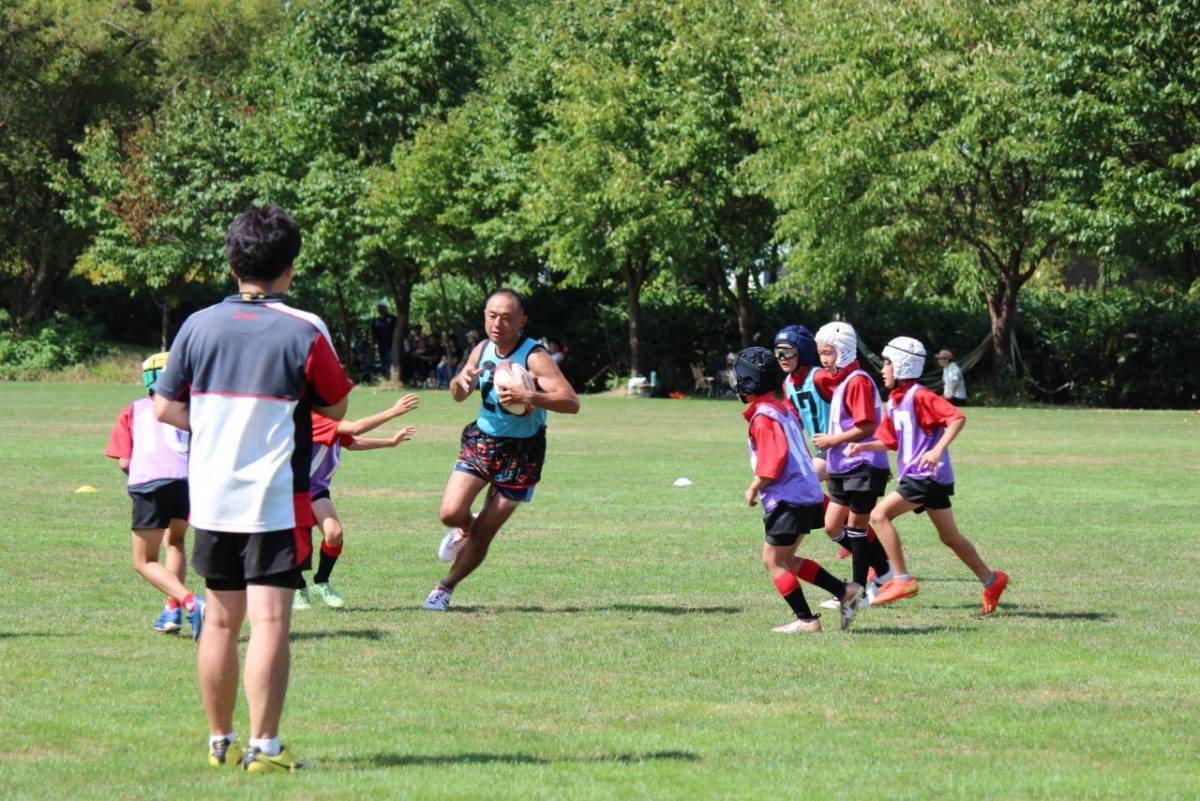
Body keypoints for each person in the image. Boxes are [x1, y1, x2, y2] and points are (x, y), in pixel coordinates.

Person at [153, 204, 353, 772]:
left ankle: (220, 742)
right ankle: (264, 748)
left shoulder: (197, 325)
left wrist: (217, 424)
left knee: (219, 621)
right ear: (289, 268)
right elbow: (337, 406)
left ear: (232, 263)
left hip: (212, 496)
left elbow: (165, 406)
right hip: (272, 500)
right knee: (269, 623)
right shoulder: (304, 328)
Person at [422, 288, 580, 611]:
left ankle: (444, 589)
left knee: (485, 532)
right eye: (492, 316)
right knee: (450, 513)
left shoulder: (534, 356)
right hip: (483, 440)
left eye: (507, 318)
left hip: (522, 453)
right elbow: (458, 393)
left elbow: (571, 402)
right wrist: (459, 383)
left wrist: (529, 396)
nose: (498, 324)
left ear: (522, 321)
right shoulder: (482, 349)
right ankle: (464, 527)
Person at [846, 337, 1009, 614]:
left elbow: (956, 418)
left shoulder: (920, 396)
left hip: (926, 475)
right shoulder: (895, 402)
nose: (883, 370)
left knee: (878, 515)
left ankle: (901, 579)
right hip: (926, 478)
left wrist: (937, 450)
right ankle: (992, 580)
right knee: (950, 537)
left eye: (887, 363)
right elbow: (890, 441)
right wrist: (862, 446)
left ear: (902, 365)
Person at [733, 347, 864, 633]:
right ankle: (845, 591)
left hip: (789, 498)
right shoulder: (780, 409)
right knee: (788, 559)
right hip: (807, 493)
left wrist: (754, 487)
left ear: (747, 383)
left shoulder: (763, 417)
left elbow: (774, 458)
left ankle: (807, 620)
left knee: (773, 561)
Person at [105, 352, 204, 640]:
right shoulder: (193, 410)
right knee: (175, 542)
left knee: (144, 561)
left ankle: (191, 602)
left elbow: (124, 461)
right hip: (188, 483)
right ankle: (171, 610)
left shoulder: (134, 409)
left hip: (151, 485)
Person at [295, 395, 419, 610]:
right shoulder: (313, 418)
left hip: (316, 489)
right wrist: (393, 411)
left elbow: (351, 442)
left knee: (334, 535)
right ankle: (298, 587)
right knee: (296, 545)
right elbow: (356, 429)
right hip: (293, 490)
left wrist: (390, 442)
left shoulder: (331, 422)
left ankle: (321, 582)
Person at [810, 322, 893, 596]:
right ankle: (885, 569)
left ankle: (856, 592)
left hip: (863, 465)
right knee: (832, 526)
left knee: (857, 529)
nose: (824, 358)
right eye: (821, 353)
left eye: (828, 352)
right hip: (843, 467)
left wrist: (832, 441)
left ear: (844, 350)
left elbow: (867, 426)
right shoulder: (842, 380)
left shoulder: (858, 380)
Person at [371, 303, 396, 378]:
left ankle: (391, 376)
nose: (380, 310)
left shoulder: (393, 318)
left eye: (382, 308)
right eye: (379, 308)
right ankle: (386, 377)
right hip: (381, 345)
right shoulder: (375, 321)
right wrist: (373, 346)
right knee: (383, 361)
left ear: (386, 308)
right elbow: (373, 335)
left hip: (391, 345)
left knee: (390, 361)